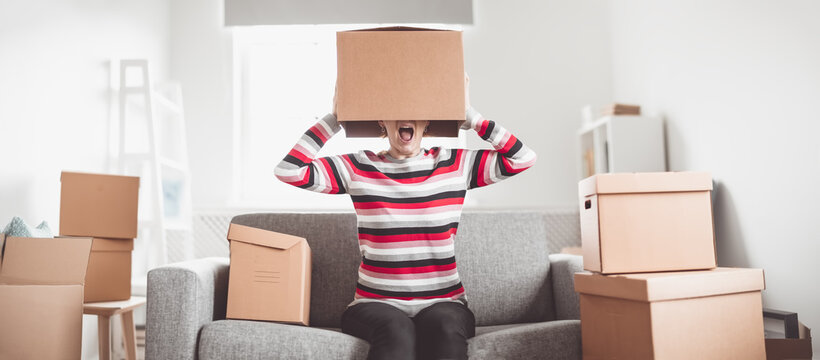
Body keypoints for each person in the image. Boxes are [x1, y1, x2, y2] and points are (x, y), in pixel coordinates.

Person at [275, 76, 536, 360]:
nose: (405, 118)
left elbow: (522, 159)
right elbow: (289, 171)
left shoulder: (456, 165)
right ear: (381, 122)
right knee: (396, 330)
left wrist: (473, 118)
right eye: (394, 110)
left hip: (444, 303)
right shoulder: (358, 167)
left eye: (415, 110)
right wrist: (337, 119)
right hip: (375, 305)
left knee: (446, 329)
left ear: (428, 122)